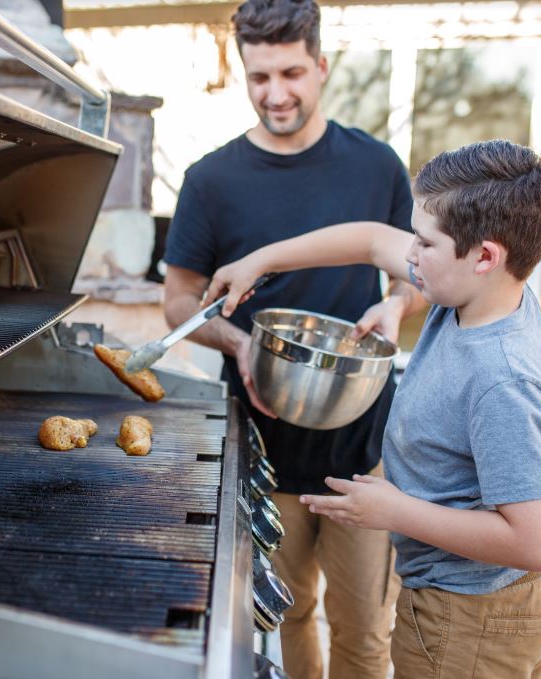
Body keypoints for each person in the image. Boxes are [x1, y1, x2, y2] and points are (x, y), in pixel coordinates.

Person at [207, 139, 541, 679]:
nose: (408, 255)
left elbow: (538, 541)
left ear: (485, 257)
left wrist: (395, 513)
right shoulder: (479, 293)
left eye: (424, 243)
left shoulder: (503, 378)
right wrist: (260, 261)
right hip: (478, 603)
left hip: (470, 615)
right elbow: (371, 238)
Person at [162, 1, 426, 677]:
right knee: (290, 612)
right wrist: (241, 343)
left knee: (365, 626)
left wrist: (398, 307)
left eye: (291, 73)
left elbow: (416, 278)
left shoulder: (377, 167)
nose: (276, 93)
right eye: (259, 77)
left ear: (321, 67)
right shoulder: (210, 180)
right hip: (262, 438)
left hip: (358, 437)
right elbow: (179, 303)